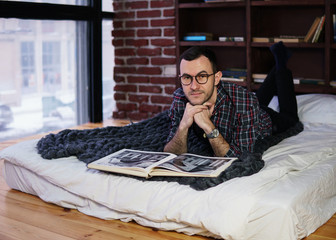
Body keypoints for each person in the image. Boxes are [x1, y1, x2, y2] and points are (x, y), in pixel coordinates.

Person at [163, 42, 299, 158]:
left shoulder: (244, 101)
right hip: (246, 107)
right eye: (187, 77)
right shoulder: (181, 97)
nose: (193, 86)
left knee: (291, 118)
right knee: (256, 100)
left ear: (216, 78)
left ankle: (281, 63)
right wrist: (183, 126)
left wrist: (208, 126)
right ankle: (278, 65)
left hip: (266, 120)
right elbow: (171, 155)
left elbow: (238, 158)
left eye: (202, 76)